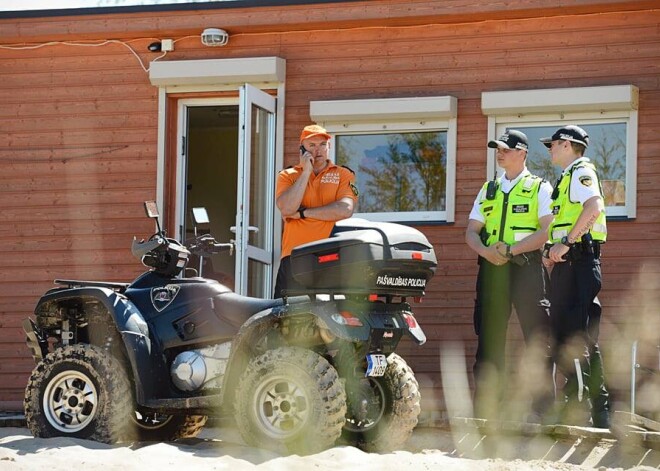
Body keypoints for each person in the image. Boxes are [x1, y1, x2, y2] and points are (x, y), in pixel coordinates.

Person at [465, 129, 554, 422]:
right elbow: (471, 232)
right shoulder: (487, 188)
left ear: (522, 153)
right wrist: (487, 252)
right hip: (491, 271)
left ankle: (542, 411)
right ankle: (488, 410)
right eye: (497, 148)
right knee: (489, 340)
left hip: (526, 269)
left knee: (536, 338)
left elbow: (546, 231)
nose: (499, 153)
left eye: (505, 148)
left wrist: (511, 250)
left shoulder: (539, 187)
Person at [541, 125, 610, 428]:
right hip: (570, 265)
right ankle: (598, 409)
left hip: (579, 263)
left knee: (574, 338)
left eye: (552, 144)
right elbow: (566, 222)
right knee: (568, 337)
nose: (550, 150)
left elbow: (593, 208)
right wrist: (550, 249)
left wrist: (567, 243)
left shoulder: (581, 171)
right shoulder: (567, 177)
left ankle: (578, 405)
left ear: (567, 145)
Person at [273, 124, 358, 298]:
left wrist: (303, 213)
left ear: (329, 147)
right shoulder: (287, 175)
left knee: (331, 318)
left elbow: (345, 209)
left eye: (322, 144)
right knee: (285, 319)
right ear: (302, 149)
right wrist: (305, 173)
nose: (317, 150)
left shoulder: (343, 174)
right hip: (294, 257)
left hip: (331, 257)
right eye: (311, 145)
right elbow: (287, 207)